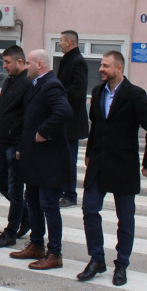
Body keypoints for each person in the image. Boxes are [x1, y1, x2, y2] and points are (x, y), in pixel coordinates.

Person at [77, 51, 147, 286]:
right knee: (89, 210)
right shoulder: (97, 92)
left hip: (124, 166)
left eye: (105, 66)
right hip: (99, 165)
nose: (101, 69)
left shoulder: (135, 95)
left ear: (119, 68)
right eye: (101, 65)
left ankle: (121, 264)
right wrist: (88, 154)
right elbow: (96, 126)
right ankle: (96, 259)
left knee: (125, 219)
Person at [9, 49, 71, 270]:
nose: (26, 67)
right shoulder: (37, 85)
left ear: (40, 65)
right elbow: (29, 119)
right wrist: (21, 147)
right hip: (33, 158)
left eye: (28, 63)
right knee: (32, 201)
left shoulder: (52, 85)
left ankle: (54, 254)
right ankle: (36, 245)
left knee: (48, 205)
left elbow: (63, 111)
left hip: (49, 160)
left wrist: (43, 132)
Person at [0, 45, 30, 248]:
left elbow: (29, 118)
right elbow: (3, 109)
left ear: (20, 62)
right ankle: (27, 213)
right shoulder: (9, 81)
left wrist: (23, 145)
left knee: (15, 190)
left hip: (16, 145)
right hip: (4, 141)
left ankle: (11, 231)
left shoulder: (28, 83)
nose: (4, 66)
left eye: (7, 62)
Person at [57, 30, 89, 208]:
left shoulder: (77, 61)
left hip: (72, 120)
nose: (60, 43)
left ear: (69, 42)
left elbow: (77, 89)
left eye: (61, 41)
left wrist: (57, 97)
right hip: (65, 118)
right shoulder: (68, 59)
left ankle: (69, 194)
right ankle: (62, 190)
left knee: (69, 158)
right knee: (62, 157)